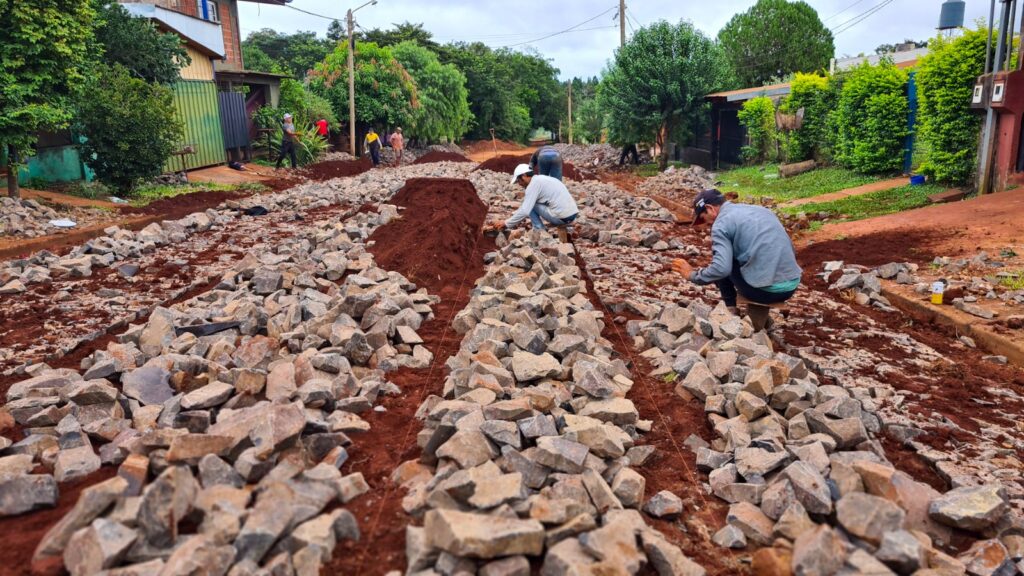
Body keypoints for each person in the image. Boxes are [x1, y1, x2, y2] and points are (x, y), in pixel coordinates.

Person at [671, 189, 802, 331]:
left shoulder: (721, 224)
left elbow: (721, 269)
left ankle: (730, 310)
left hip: (766, 291)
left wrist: (693, 275)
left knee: (722, 261)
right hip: (792, 285)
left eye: (703, 218)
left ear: (710, 209)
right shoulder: (761, 210)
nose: (706, 223)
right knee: (730, 256)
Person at [490, 164, 579, 233]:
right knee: (530, 204)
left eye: (518, 181)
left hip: (563, 217)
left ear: (524, 175)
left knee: (531, 206)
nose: (519, 184)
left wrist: (506, 223)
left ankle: (539, 229)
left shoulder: (533, 185)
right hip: (572, 214)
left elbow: (525, 210)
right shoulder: (542, 179)